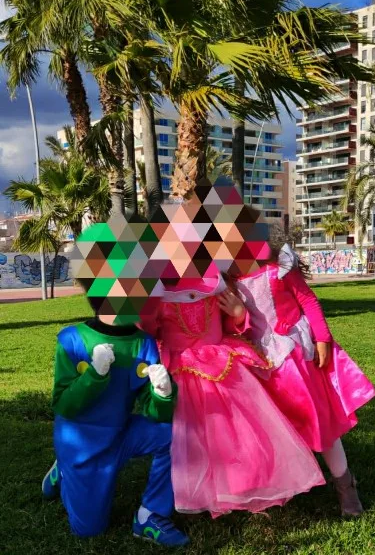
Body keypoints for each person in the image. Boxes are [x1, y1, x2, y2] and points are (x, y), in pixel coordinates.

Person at [41, 229, 189, 546]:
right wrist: (94, 376)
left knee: (177, 434)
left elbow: (155, 411)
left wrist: (163, 394)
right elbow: (63, 404)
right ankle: (64, 470)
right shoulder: (72, 340)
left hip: (121, 434)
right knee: (89, 529)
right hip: (82, 445)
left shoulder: (143, 343)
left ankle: (150, 515)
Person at [139, 272, 325, 518]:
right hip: (184, 371)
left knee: (241, 430)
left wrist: (238, 314)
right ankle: (206, 491)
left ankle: (245, 483)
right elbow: (150, 331)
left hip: (223, 364)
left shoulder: (213, 282)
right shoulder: (158, 292)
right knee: (198, 435)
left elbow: (227, 323)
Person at [234, 244, 375, 517]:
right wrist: (239, 316)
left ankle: (345, 485)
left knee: (319, 422)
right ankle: (283, 486)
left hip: (296, 358)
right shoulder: (227, 277)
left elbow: (308, 300)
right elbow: (234, 325)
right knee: (276, 430)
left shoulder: (279, 265)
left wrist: (322, 337)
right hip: (262, 364)